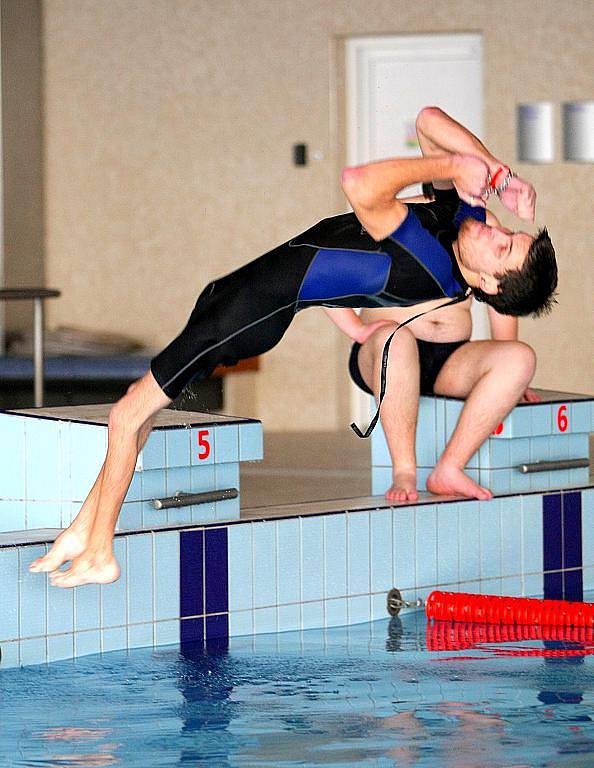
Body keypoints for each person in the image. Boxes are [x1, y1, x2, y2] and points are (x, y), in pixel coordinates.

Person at [31, 106, 557, 587]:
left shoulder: (427, 260)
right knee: (140, 413)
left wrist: (449, 167)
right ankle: (83, 529)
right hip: (238, 295)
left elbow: (359, 182)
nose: (497, 230)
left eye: (505, 246)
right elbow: (427, 121)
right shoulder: (469, 228)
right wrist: (498, 173)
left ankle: (101, 550)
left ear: (488, 286)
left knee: (127, 414)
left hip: (248, 313)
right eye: (508, 230)